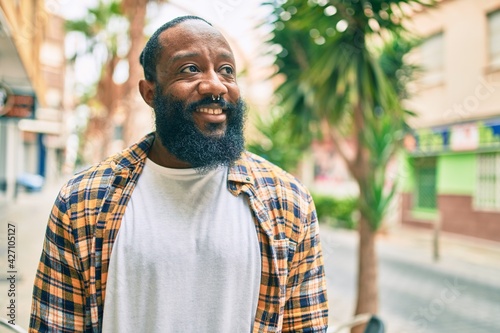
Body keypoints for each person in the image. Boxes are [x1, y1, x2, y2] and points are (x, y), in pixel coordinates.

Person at [29, 15, 328, 333]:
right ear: (150, 93)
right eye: (190, 69)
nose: (215, 84)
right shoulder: (82, 200)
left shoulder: (288, 201)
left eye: (226, 70)